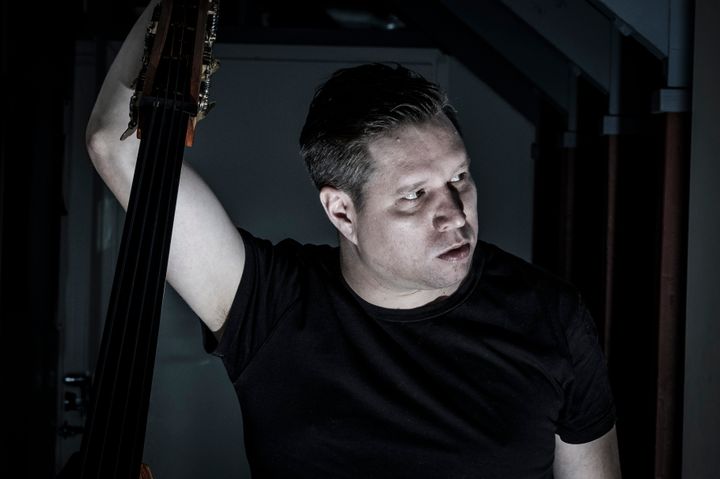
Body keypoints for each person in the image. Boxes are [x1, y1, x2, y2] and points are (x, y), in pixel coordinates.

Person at [86, 1, 622, 477]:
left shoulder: (552, 316)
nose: (455, 213)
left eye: (459, 178)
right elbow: (116, 144)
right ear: (342, 211)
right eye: (415, 195)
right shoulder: (271, 303)